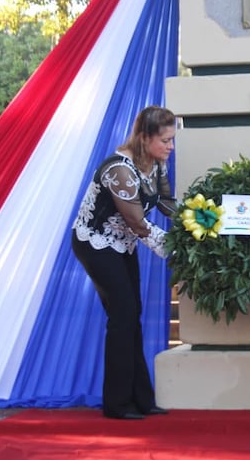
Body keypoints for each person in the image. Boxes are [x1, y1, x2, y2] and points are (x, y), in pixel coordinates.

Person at [72, 105, 178, 420]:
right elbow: (138, 224)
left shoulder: (156, 164)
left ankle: (142, 400)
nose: (171, 147)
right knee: (123, 315)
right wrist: (176, 250)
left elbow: (165, 201)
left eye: (172, 140)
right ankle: (117, 405)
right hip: (95, 244)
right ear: (145, 139)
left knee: (133, 314)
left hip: (122, 244)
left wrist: (197, 220)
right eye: (166, 141)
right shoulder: (118, 169)